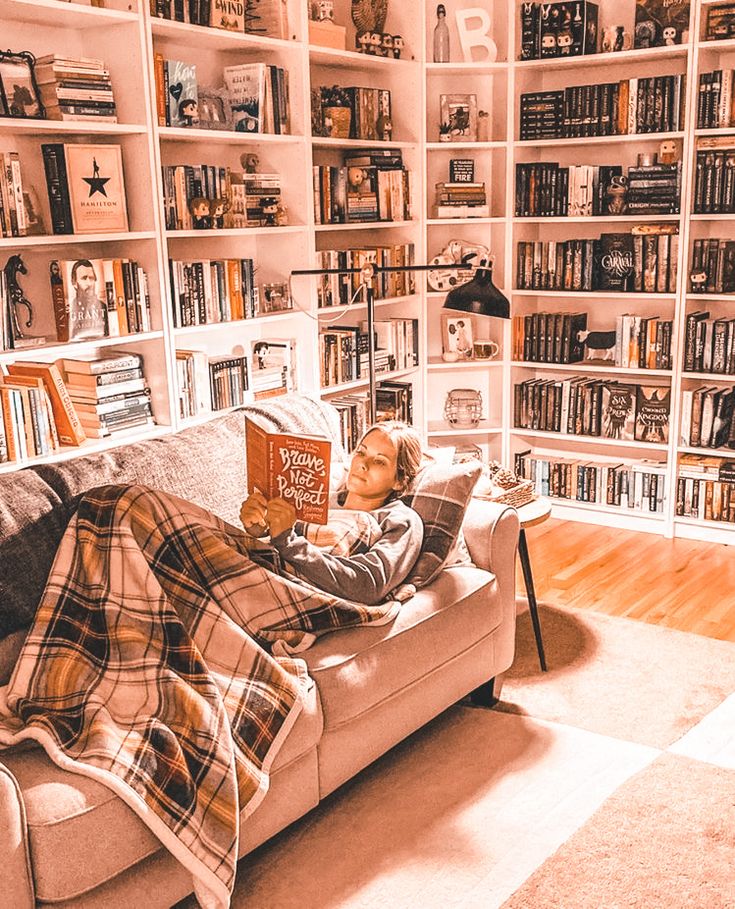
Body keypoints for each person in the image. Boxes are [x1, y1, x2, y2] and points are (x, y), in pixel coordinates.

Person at [240, 420, 424, 606]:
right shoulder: (316, 498)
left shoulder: (400, 519)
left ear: (400, 481)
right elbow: (278, 541)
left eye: (379, 461)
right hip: (260, 570)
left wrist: (288, 541)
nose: (363, 464)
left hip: (296, 590)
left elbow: (368, 585)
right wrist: (260, 528)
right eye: (361, 452)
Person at [69, 259, 106, 340]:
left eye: (92, 278)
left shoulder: (104, 308)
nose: (89, 283)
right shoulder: (69, 311)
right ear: (74, 283)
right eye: (84, 278)